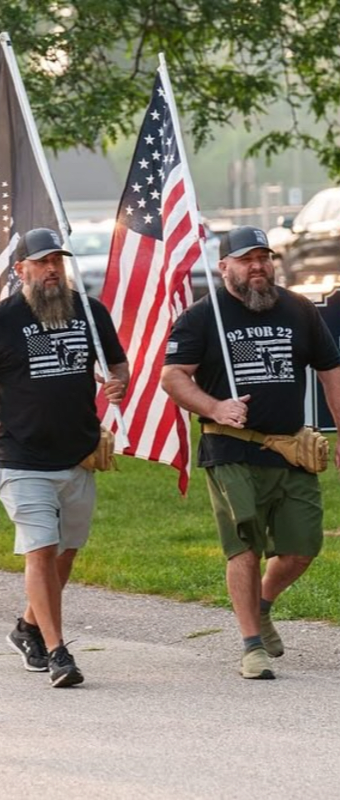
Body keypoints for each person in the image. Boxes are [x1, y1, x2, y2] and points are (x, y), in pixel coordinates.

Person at [0, 228, 128, 686]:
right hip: (21, 458)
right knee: (41, 551)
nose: (52, 269)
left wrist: (118, 382)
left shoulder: (89, 313)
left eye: (57, 260)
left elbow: (117, 363)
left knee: (66, 555)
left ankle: (28, 627)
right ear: (21, 271)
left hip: (77, 456)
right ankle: (58, 653)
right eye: (42, 261)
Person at [161, 226, 340, 680]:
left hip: (290, 450)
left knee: (302, 548)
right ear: (224, 267)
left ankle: (260, 605)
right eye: (246, 259)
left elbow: (330, 370)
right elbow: (174, 377)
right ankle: (251, 644)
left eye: (264, 257)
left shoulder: (298, 309)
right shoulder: (204, 317)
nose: (257, 266)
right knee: (244, 548)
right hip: (230, 450)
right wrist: (215, 406)